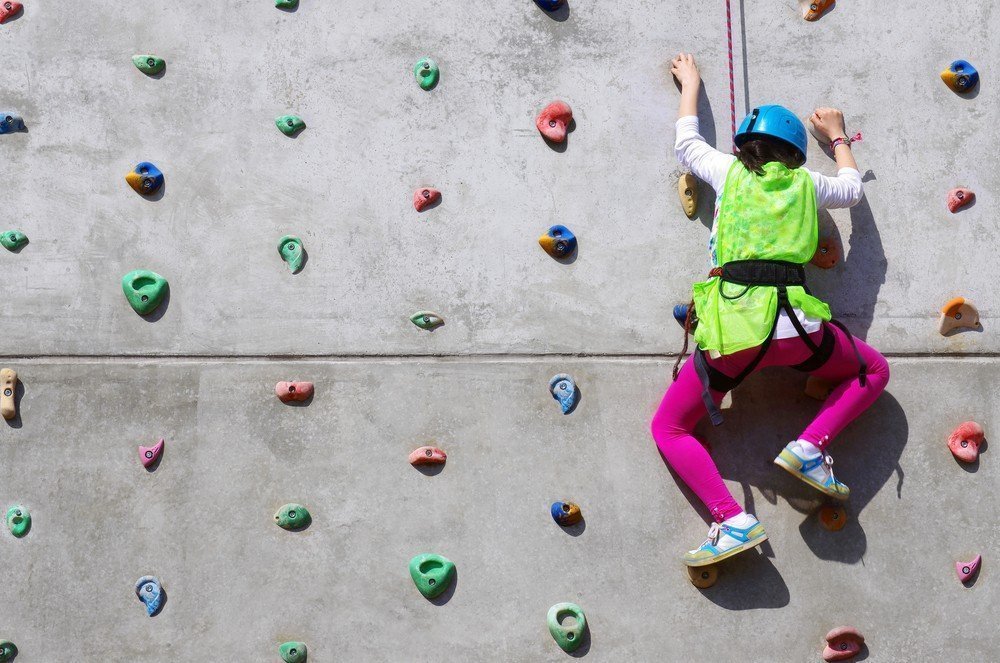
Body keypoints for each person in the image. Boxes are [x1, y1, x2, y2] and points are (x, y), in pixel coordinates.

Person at [651, 53, 890, 568]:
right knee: (873, 368)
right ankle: (810, 445)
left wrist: (690, 83)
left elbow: (687, 144)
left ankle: (731, 519)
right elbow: (850, 190)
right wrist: (839, 136)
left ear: (743, 145)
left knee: (669, 427)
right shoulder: (807, 185)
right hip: (797, 331)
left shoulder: (727, 171)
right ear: (797, 156)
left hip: (734, 336)